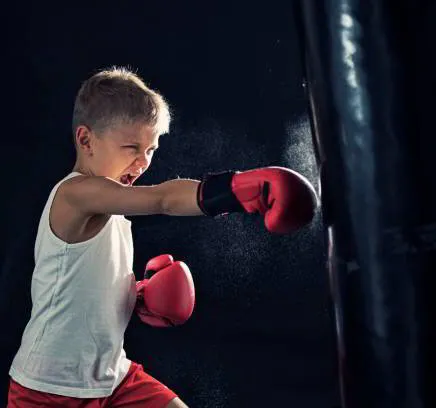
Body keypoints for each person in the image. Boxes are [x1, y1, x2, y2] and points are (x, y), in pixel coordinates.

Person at [6, 67, 318, 407]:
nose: (142, 162)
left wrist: (130, 296)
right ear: (86, 140)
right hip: (49, 388)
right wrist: (235, 190)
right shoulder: (76, 193)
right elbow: (163, 199)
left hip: (113, 376)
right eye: (131, 147)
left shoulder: (112, 208)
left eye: (151, 149)